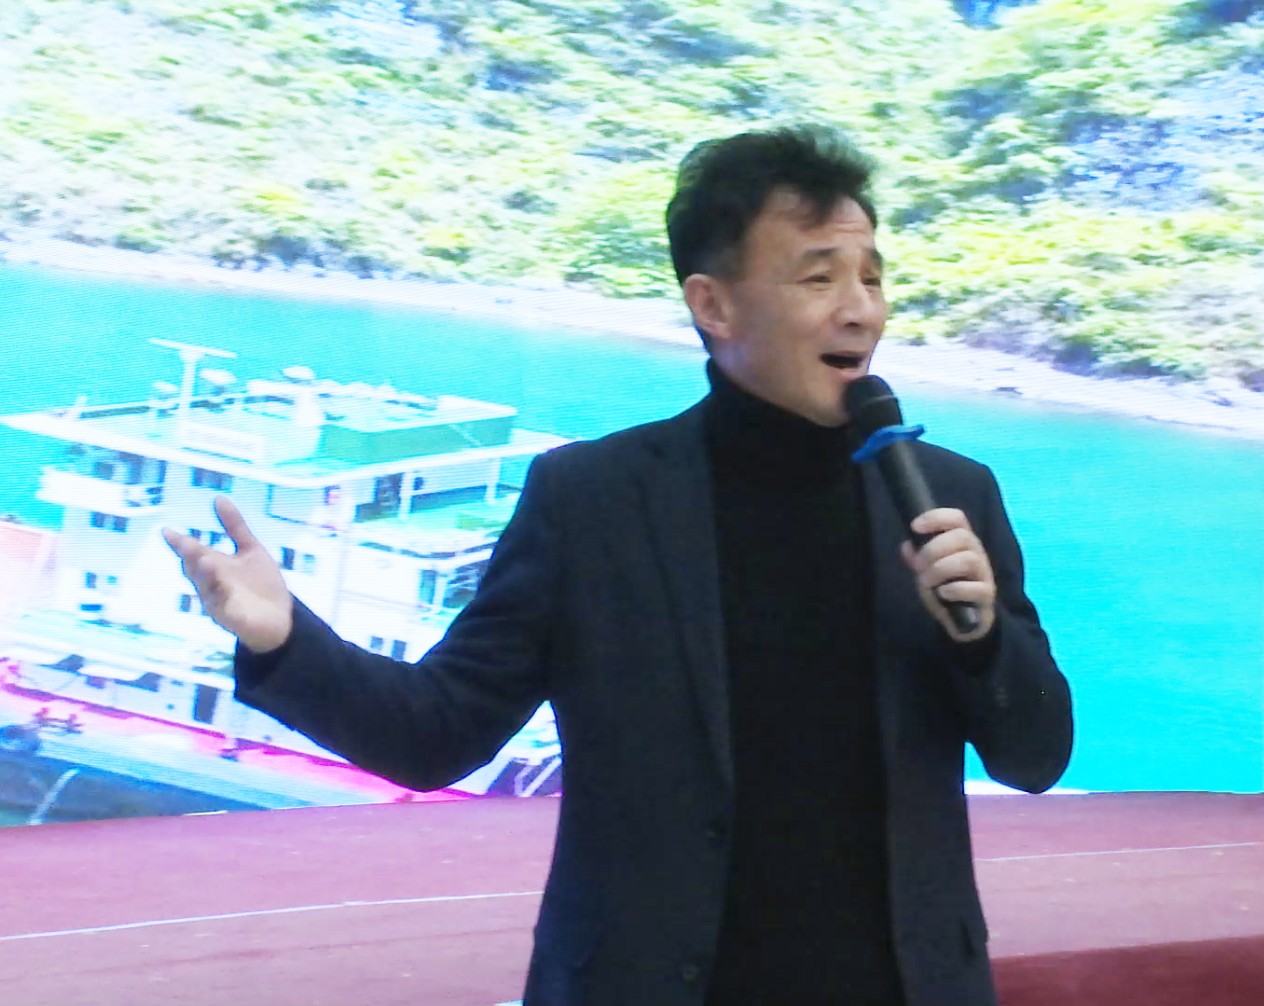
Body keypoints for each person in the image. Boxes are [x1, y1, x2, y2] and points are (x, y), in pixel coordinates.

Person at [163, 125, 1073, 1006]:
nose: (861, 308)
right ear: (713, 305)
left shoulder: (950, 496)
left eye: (871, 275)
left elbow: (1038, 754)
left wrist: (983, 639)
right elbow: (436, 735)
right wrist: (285, 641)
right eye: (818, 276)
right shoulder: (592, 502)